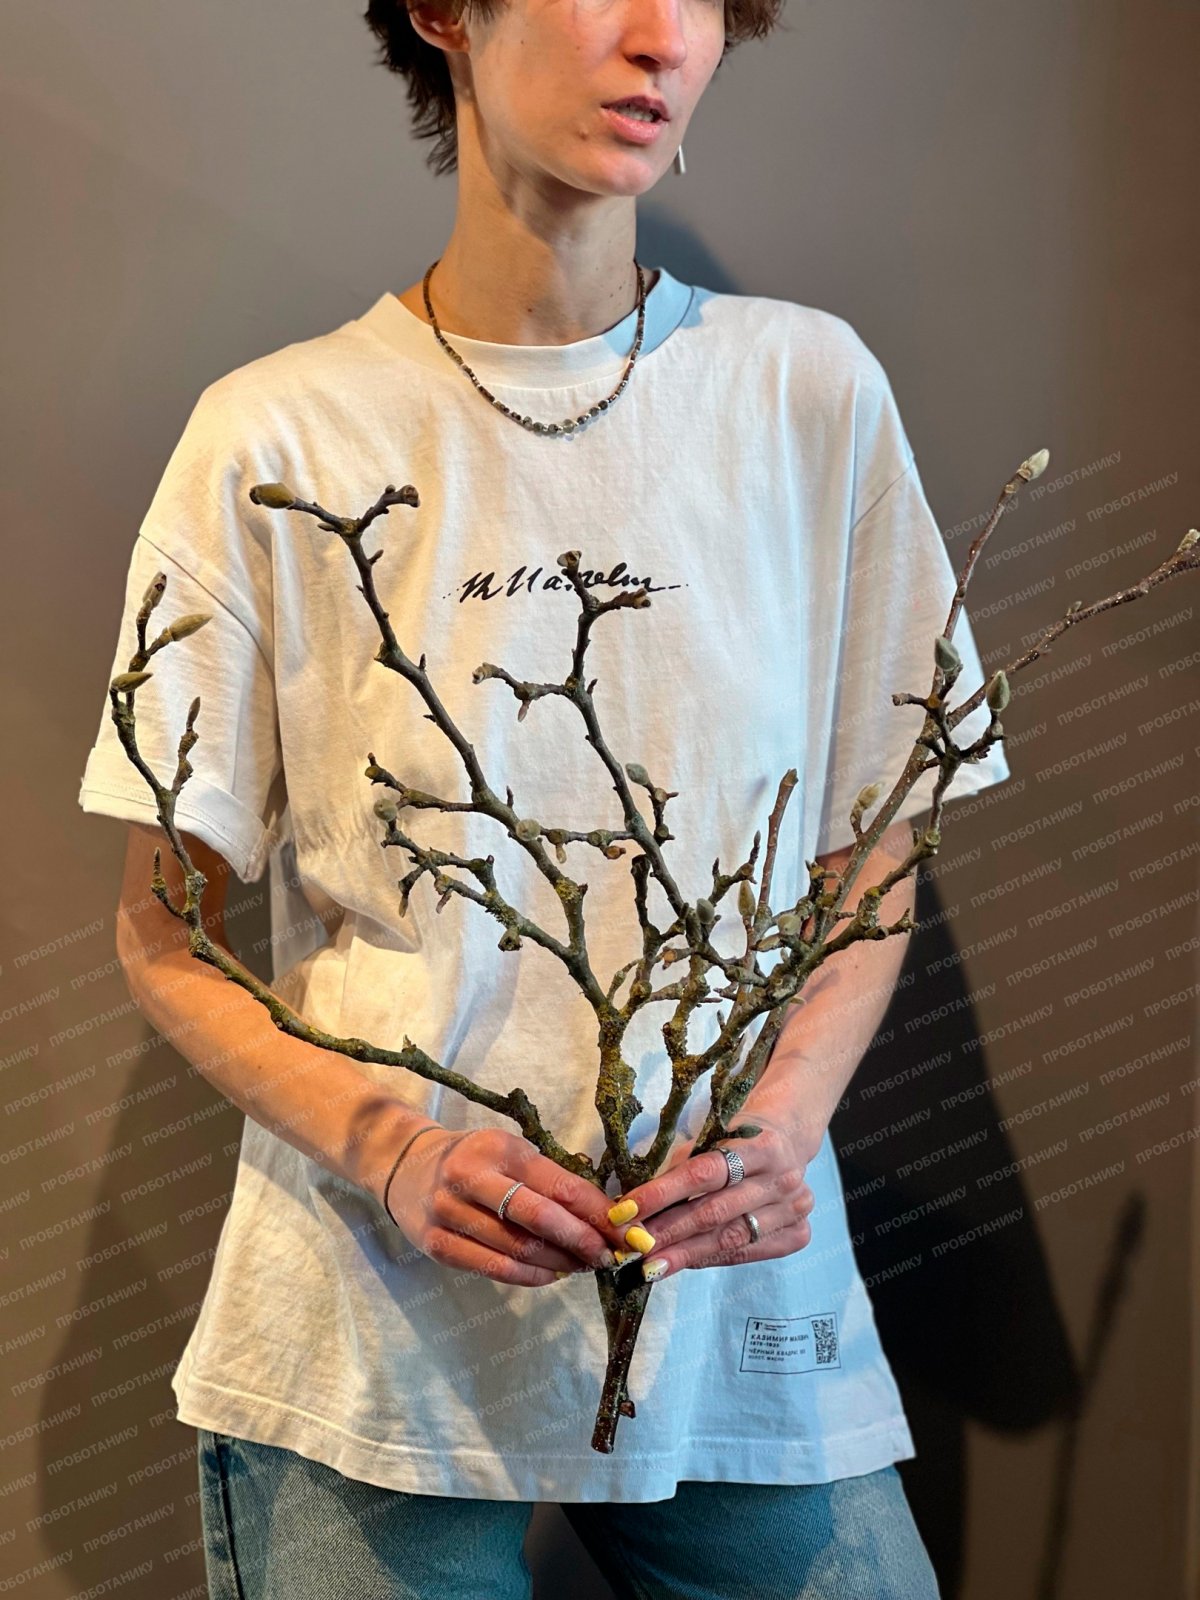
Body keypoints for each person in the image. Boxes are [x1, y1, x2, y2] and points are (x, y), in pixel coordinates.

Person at [79, 1, 1010, 1594]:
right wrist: (390, 1150)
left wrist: (782, 1125)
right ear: (445, 11)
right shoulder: (274, 438)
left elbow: (872, 851)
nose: (664, 40)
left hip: (730, 1317)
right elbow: (166, 935)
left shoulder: (807, 396)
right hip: (372, 1343)